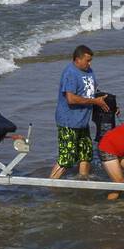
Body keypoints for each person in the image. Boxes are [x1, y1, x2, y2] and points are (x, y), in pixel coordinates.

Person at [48, 46, 107, 180]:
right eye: (87, 60)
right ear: (77, 60)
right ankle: (51, 184)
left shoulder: (89, 71)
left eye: (91, 60)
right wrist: (94, 101)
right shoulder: (70, 73)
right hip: (68, 122)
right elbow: (71, 99)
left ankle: (83, 182)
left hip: (82, 122)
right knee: (67, 158)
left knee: (86, 154)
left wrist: (108, 103)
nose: (90, 64)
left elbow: (94, 91)